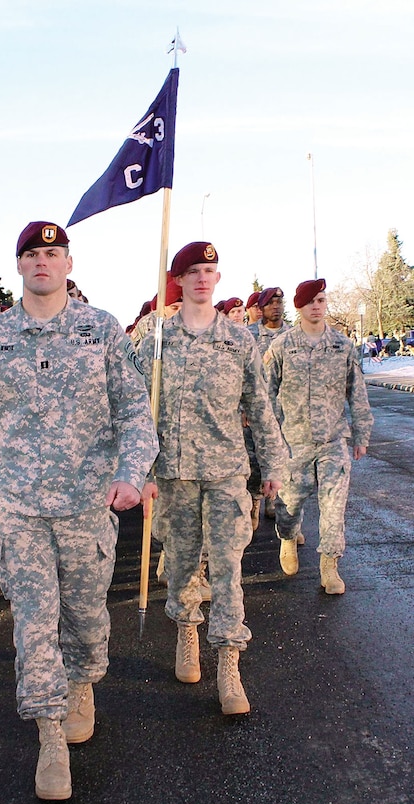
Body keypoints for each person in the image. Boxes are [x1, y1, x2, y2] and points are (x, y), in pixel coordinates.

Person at [0, 221, 158, 801]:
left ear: (69, 263)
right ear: (18, 266)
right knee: (34, 623)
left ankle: (83, 684)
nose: (42, 261)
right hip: (17, 505)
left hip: (88, 504)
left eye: (52, 253)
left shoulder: (102, 331)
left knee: (87, 615)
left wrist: (130, 474)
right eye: (32, 254)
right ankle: (49, 737)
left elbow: (136, 415)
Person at [138, 241, 286, 716]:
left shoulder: (238, 340)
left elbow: (259, 408)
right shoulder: (157, 339)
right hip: (176, 476)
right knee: (181, 567)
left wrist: (273, 465)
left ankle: (228, 661)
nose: (203, 277)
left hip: (226, 473)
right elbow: (136, 409)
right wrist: (141, 473)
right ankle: (186, 631)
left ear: (218, 278)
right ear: (178, 281)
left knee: (227, 569)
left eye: (210, 270)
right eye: (194, 271)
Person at [265, 279, 374, 593]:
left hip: (332, 441)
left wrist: (362, 433)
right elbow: (266, 393)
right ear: (299, 307)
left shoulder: (343, 346)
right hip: (293, 443)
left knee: (333, 507)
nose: (317, 306)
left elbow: (357, 393)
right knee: (289, 505)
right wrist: (271, 438)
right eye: (310, 301)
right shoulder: (282, 347)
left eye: (321, 300)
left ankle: (329, 566)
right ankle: (287, 538)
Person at [247, 286, 290, 521]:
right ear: (261, 308)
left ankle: (276, 504)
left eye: (279, 302)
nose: (276, 307)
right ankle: (254, 499)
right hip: (255, 411)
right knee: (254, 459)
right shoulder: (248, 336)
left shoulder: (293, 336)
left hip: (285, 412)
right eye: (270, 303)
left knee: (283, 459)